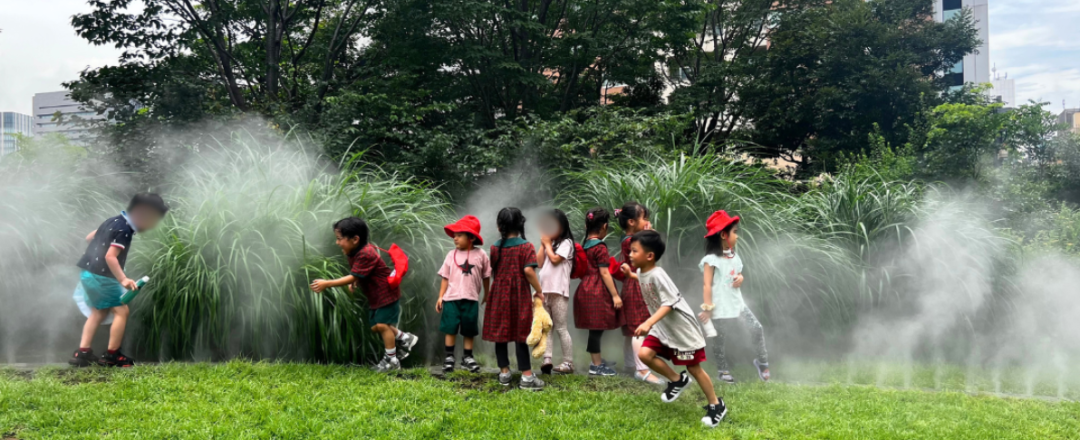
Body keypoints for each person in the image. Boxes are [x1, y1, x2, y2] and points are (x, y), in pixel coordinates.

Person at [623, 230, 728, 428]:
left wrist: (648, 323)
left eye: (634, 251)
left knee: (694, 368)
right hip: (663, 327)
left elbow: (668, 303)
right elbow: (645, 281)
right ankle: (677, 380)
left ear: (649, 256)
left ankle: (716, 405)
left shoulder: (658, 274)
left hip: (681, 328)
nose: (630, 254)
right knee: (645, 354)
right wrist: (631, 275)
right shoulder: (643, 271)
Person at [69, 193, 169, 368]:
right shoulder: (125, 230)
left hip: (88, 274)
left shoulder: (112, 221)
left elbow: (89, 237)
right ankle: (111, 355)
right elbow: (110, 257)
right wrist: (123, 279)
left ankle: (82, 353)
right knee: (121, 312)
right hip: (102, 277)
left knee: (98, 312)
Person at [311, 217, 419, 372]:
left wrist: (327, 283)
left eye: (340, 239)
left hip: (386, 294)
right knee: (377, 327)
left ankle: (392, 361)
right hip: (376, 296)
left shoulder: (366, 253)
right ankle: (404, 338)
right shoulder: (355, 251)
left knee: (382, 326)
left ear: (355, 239)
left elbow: (355, 274)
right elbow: (359, 272)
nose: (337, 242)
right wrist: (355, 280)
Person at [699, 210, 769, 384]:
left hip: (737, 303)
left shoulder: (734, 256)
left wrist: (740, 278)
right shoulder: (710, 260)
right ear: (723, 235)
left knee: (757, 328)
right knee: (719, 340)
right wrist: (707, 309)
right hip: (719, 306)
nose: (737, 236)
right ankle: (722, 371)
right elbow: (707, 285)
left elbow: (738, 273)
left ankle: (762, 362)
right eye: (735, 232)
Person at [484, 207, 546, 390]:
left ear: (499, 227)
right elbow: (528, 271)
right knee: (521, 333)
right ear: (521, 224)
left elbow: (494, 271)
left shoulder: (495, 247)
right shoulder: (526, 246)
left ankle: (504, 373)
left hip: (498, 294)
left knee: (500, 335)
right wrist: (539, 290)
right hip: (518, 295)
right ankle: (526, 377)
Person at [613, 202, 662, 383]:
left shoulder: (628, 240)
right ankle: (641, 370)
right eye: (645, 218)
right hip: (635, 286)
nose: (647, 221)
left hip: (632, 285)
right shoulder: (631, 242)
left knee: (632, 329)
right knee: (639, 328)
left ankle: (630, 365)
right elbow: (653, 247)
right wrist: (652, 234)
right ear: (632, 222)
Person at [436, 215, 491, 373]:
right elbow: (445, 278)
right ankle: (449, 357)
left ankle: (467, 357)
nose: (455, 238)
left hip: (471, 298)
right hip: (451, 298)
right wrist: (440, 297)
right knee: (450, 328)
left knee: (469, 329)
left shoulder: (481, 255)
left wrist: (487, 294)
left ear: (471, 237)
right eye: (454, 235)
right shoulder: (450, 255)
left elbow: (486, 276)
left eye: (459, 235)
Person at [572, 207, 622, 377]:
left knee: (596, 328)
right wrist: (615, 295)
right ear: (604, 227)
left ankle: (597, 360)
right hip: (596, 291)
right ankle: (596, 365)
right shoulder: (600, 247)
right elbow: (604, 272)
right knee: (596, 329)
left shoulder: (586, 245)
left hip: (585, 288)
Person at [536, 209, 575, 375]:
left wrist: (546, 244)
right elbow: (539, 263)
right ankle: (547, 359)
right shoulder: (549, 243)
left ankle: (568, 362)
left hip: (559, 292)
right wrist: (542, 243)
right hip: (545, 291)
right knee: (547, 327)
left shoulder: (567, 243)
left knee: (560, 328)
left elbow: (555, 259)